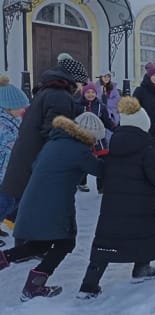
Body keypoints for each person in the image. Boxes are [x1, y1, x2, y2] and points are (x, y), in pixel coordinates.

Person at [78, 97, 155, 299]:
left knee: (106, 241)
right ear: (144, 125)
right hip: (141, 203)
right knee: (143, 234)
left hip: (113, 203)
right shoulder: (147, 148)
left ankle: (88, 285)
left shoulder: (114, 144)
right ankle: (141, 268)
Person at [0, 112, 105, 301]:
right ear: (89, 135)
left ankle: (6, 260)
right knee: (65, 242)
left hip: (33, 200)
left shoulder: (54, 142)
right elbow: (100, 170)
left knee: (40, 244)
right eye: (95, 140)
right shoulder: (79, 150)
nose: (95, 144)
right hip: (53, 205)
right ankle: (34, 286)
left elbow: (34, 166)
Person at [0, 53, 88, 204]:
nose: (81, 88)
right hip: (34, 167)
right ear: (74, 79)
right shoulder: (60, 97)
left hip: (23, 165)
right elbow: (55, 135)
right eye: (82, 83)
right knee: (18, 216)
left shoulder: (46, 92)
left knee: (14, 215)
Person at [0, 75, 29, 246]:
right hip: (4, 172)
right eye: (20, 107)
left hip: (9, 171)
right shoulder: (3, 124)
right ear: (9, 106)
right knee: (7, 201)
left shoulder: (12, 120)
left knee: (11, 201)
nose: (22, 110)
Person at [77, 82, 116, 193]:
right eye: (88, 92)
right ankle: (81, 182)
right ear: (83, 93)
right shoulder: (77, 105)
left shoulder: (100, 106)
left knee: (103, 161)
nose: (90, 94)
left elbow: (106, 120)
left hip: (99, 139)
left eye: (93, 92)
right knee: (83, 160)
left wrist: (115, 128)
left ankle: (102, 186)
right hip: (82, 138)